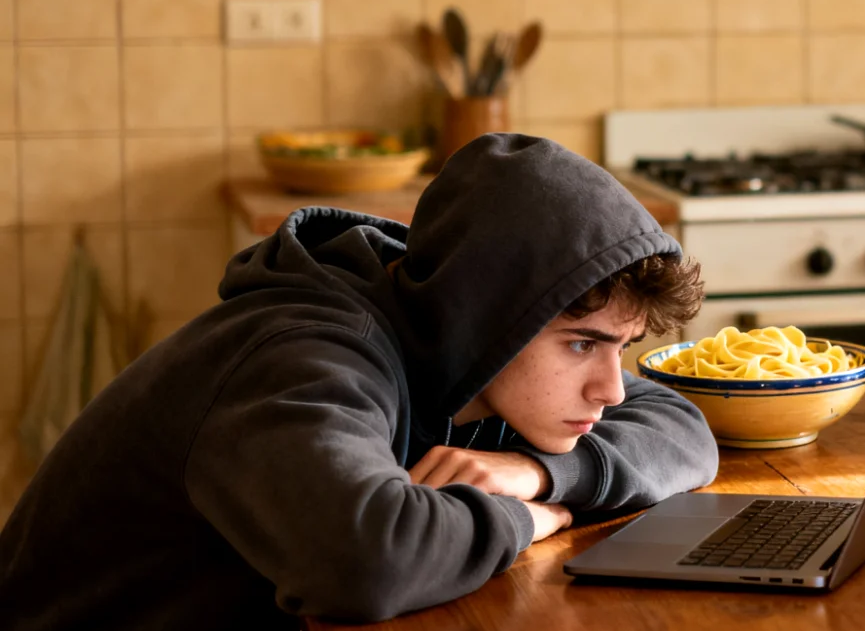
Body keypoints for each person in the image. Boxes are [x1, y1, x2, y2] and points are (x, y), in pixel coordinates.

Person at [0, 134, 720, 628]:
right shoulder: (297, 355)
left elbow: (686, 432)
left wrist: (533, 471)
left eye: (620, 348)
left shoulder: (474, 348)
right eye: (582, 345)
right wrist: (536, 517)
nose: (611, 389)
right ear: (487, 315)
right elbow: (367, 560)